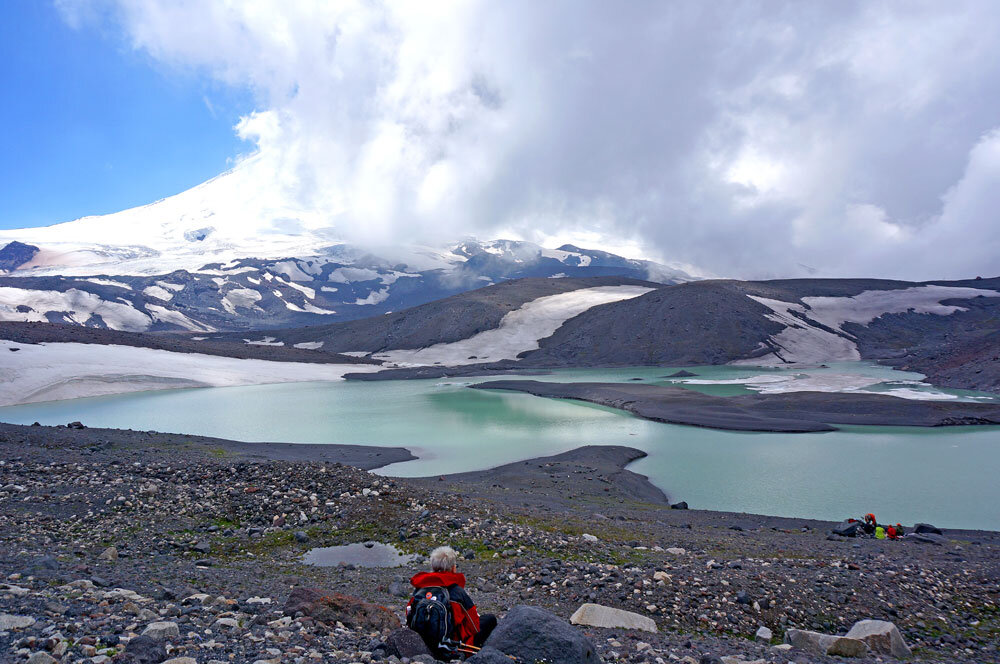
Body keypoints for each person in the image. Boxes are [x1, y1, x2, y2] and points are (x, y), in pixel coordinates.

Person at [408, 546, 497, 657]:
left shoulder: (419, 589)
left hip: (423, 642)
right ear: (453, 568)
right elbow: (474, 626)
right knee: (490, 619)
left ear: (433, 567)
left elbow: (409, 615)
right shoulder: (456, 591)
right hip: (451, 643)